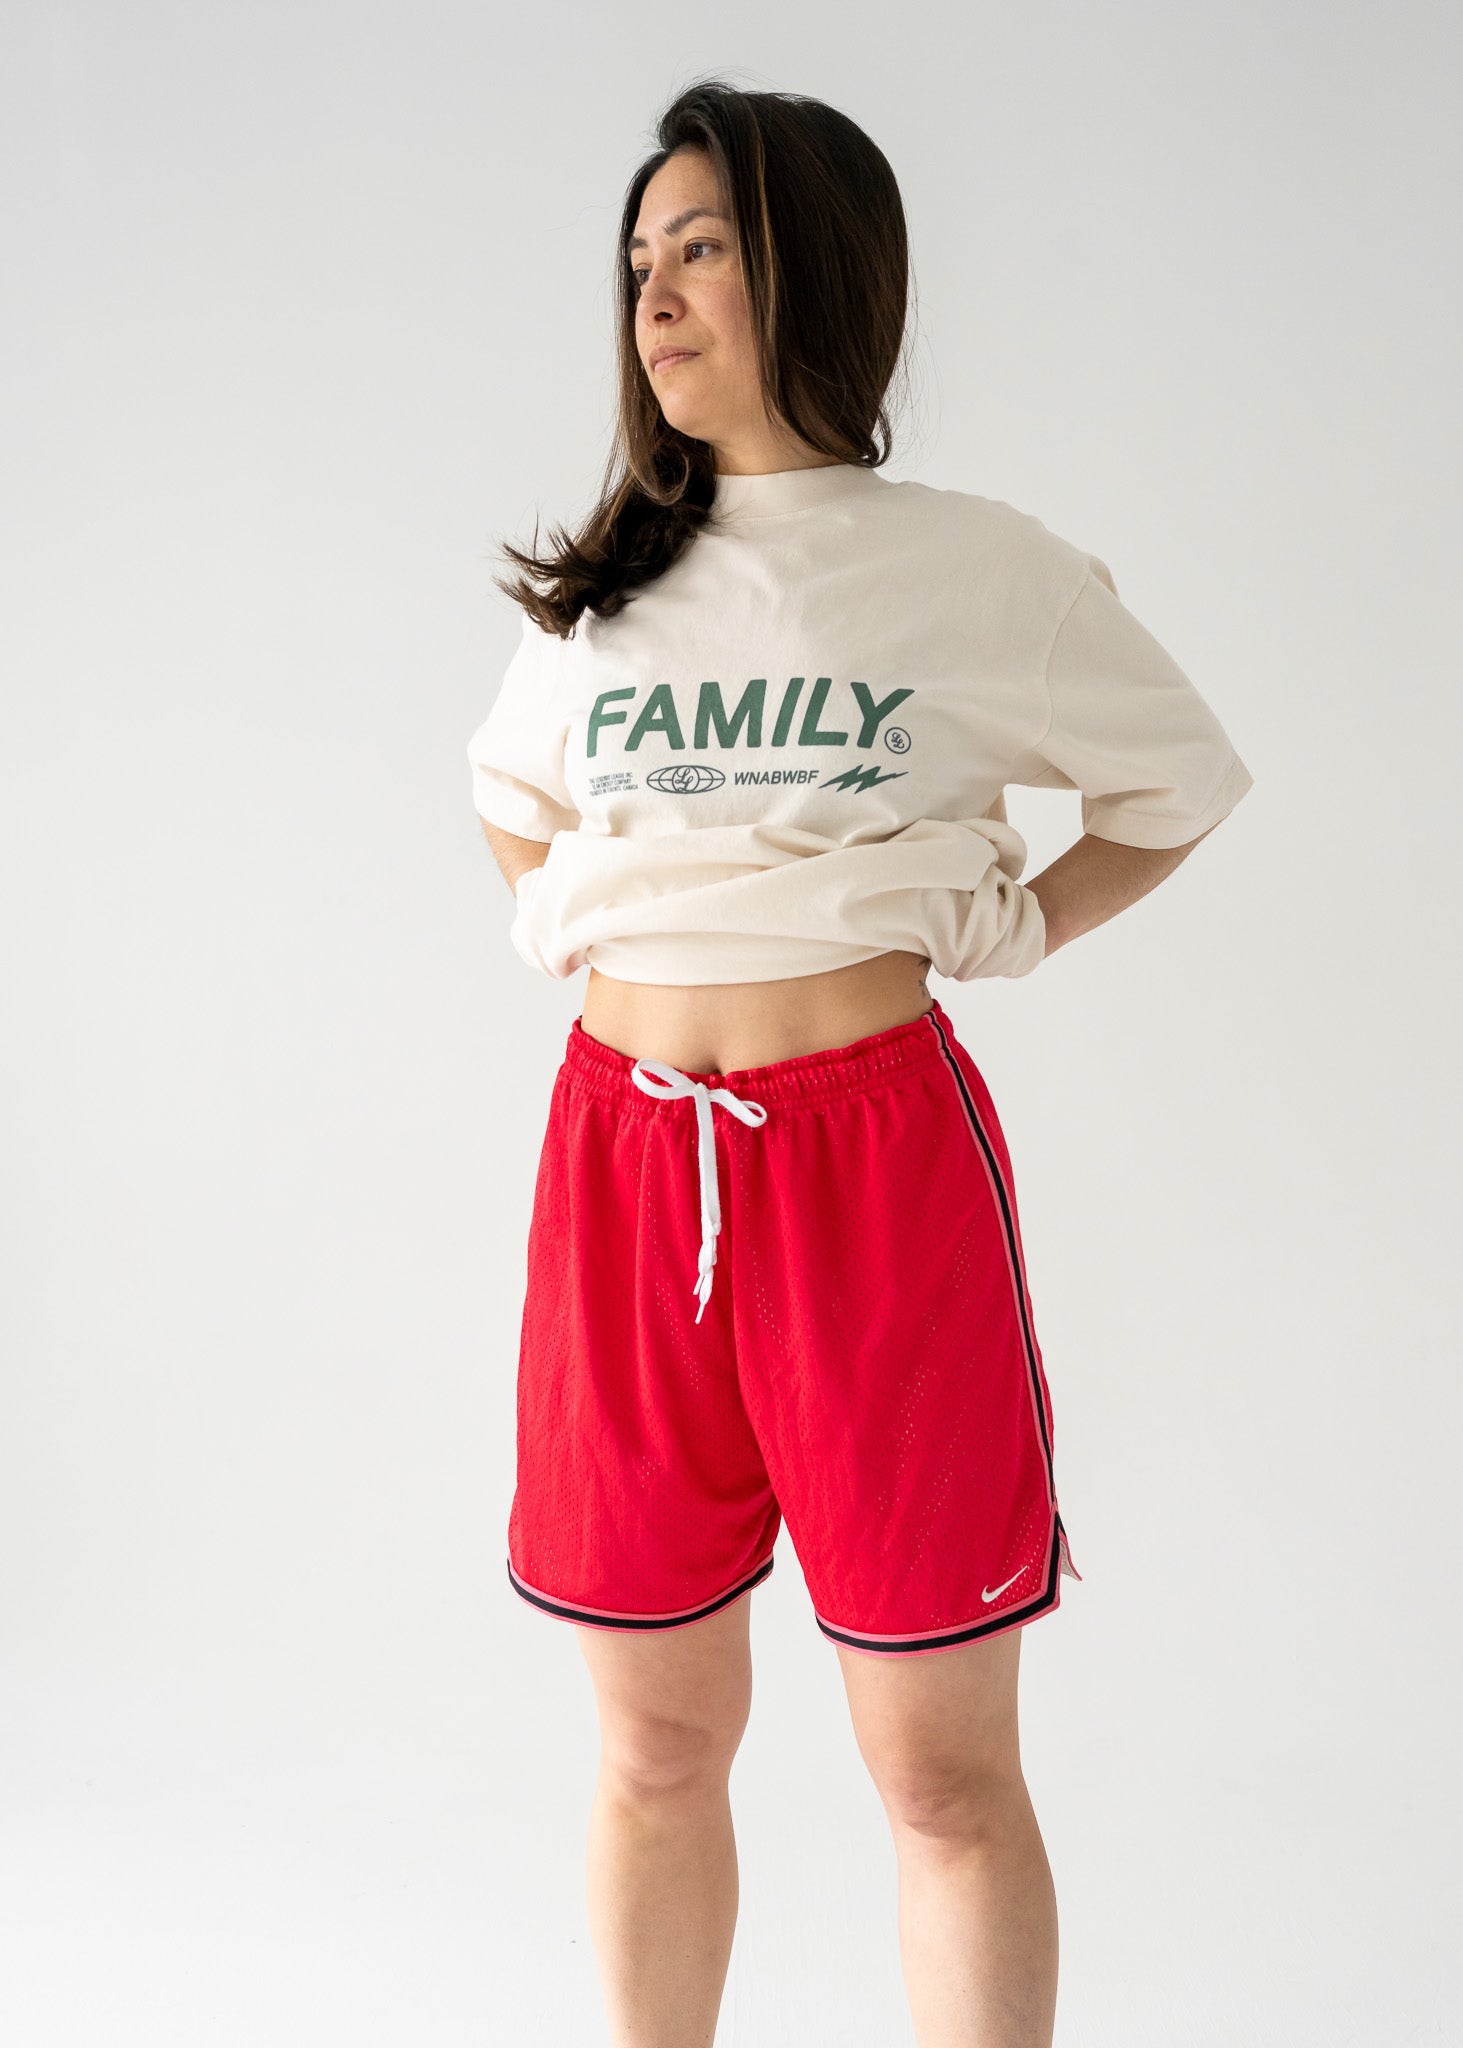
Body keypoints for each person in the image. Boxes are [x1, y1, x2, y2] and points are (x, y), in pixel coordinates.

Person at [466, 78, 1251, 2048]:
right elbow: (508, 799)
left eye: (703, 245)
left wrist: (1007, 921)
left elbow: (1179, 782)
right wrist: (597, 926)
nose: (656, 290)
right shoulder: (608, 594)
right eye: (639, 258)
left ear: (815, 265)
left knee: (939, 1767)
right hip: (630, 1167)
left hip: (868, 1166)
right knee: (654, 1739)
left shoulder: (973, 570)